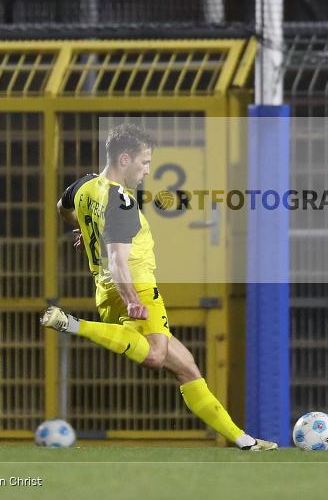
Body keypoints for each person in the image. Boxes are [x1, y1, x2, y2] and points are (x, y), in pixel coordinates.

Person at [41, 123, 277, 451]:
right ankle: (74, 325)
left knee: (186, 367)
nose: (148, 171)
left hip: (104, 291)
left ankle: (245, 441)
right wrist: (133, 298)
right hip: (133, 284)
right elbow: (118, 259)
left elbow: (62, 209)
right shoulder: (120, 202)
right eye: (145, 162)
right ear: (124, 160)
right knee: (155, 355)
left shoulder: (85, 186)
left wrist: (84, 227)